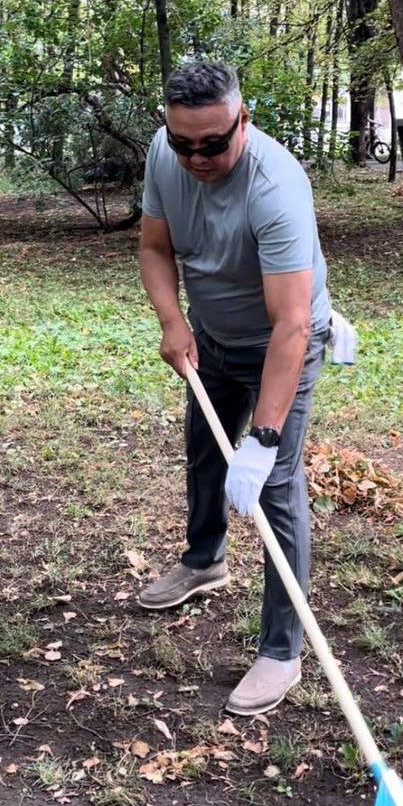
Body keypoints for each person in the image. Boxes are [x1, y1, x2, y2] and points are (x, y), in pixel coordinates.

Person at [137, 60, 333, 716]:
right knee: (203, 450)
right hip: (211, 340)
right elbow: (155, 248)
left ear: (243, 122)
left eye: (214, 143)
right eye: (182, 141)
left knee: (273, 486)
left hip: (282, 345)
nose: (196, 156)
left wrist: (265, 438)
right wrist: (172, 321)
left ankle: (282, 650)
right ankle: (204, 561)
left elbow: (293, 325)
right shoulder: (165, 156)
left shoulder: (274, 187)